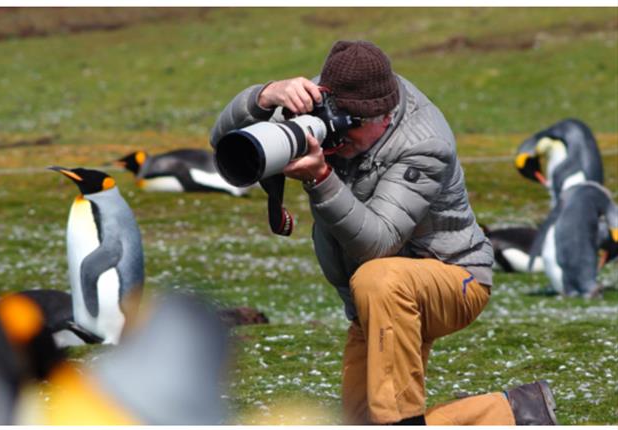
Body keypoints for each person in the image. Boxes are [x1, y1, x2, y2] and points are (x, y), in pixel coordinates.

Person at [210, 40, 557, 425]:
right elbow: (225, 143)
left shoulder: (425, 142)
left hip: (452, 278)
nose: (342, 134)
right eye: (338, 117)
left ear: (386, 116)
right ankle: (512, 413)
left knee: (380, 281)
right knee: (364, 423)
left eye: (356, 125)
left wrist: (321, 178)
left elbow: (378, 242)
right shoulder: (317, 101)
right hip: (373, 300)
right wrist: (263, 96)